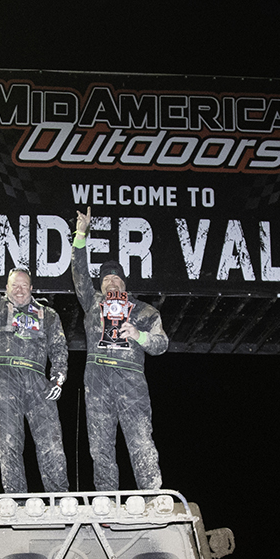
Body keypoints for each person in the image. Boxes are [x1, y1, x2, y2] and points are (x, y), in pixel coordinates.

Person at [70, 208, 169, 490]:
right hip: (97, 380)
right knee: (100, 447)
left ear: (124, 284)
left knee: (140, 441)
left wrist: (139, 336)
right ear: (100, 285)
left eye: (116, 280)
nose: (110, 283)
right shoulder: (92, 303)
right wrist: (80, 235)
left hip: (131, 380)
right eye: (105, 280)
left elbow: (162, 345)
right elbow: (78, 274)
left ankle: (153, 497)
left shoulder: (145, 310)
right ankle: (106, 502)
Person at [0, 221, 70, 493]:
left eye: (24, 286)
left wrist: (58, 375)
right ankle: (16, 500)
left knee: (51, 444)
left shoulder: (49, 315)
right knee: (10, 444)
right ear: (7, 288)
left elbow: (59, 347)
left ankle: (60, 500)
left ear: (32, 287)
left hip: (39, 383)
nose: (20, 290)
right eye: (15, 286)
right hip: (5, 381)